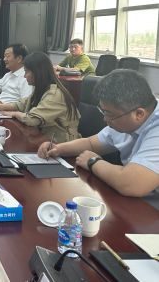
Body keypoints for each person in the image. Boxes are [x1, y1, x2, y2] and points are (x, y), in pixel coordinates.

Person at [38, 70, 159, 200]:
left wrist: (93, 162)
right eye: (103, 112)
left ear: (139, 114)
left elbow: (131, 184)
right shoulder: (124, 119)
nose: (105, 119)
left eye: (109, 114)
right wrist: (58, 148)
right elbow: (91, 143)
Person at [0, 52, 80, 142]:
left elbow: (32, 119)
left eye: (26, 72)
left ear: (38, 72)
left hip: (61, 144)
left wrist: (13, 114)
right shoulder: (42, 89)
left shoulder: (54, 94)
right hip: (46, 138)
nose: (24, 76)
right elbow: (21, 104)